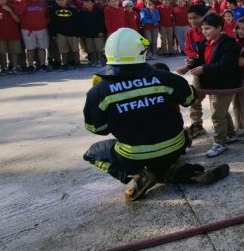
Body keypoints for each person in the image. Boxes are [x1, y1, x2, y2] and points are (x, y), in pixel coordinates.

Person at [82, 28, 229, 201]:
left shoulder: (99, 91)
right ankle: (180, 173)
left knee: (92, 153)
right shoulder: (164, 78)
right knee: (163, 155)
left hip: (135, 154)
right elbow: (190, 98)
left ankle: (139, 175)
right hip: (175, 146)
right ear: (142, 51)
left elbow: (97, 128)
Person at [187, 12, 241, 157]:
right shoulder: (205, 43)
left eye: (208, 28)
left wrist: (203, 68)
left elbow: (226, 64)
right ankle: (230, 134)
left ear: (219, 28)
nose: (205, 32)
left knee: (217, 113)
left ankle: (219, 143)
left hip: (225, 84)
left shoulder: (228, 43)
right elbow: (203, 60)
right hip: (211, 84)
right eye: (203, 29)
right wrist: (191, 64)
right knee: (221, 111)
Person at [176, 4, 209, 139]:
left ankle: (227, 130)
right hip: (197, 70)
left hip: (211, 69)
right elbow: (188, 49)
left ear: (204, 17)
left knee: (217, 102)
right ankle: (197, 125)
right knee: (195, 99)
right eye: (189, 18)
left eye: (196, 18)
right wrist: (192, 59)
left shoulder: (209, 30)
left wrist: (194, 61)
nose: (192, 21)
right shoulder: (190, 32)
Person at [14, 0, 50, 71]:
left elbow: (47, 15)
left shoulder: (41, 3)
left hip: (42, 28)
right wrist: (24, 1)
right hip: (27, 30)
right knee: (30, 48)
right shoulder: (19, 3)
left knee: (42, 47)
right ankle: (30, 65)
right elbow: (18, 12)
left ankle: (43, 64)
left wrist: (45, 23)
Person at [49, 0, 82, 69]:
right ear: (56, 1)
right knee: (63, 49)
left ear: (66, 0)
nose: (61, 1)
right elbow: (52, 23)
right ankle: (65, 64)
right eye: (59, 0)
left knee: (75, 49)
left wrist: (78, 33)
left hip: (73, 33)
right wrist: (53, 34)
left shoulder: (73, 10)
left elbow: (78, 22)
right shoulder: (53, 11)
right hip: (60, 34)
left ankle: (77, 62)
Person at [79, 0, 107, 66]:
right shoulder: (82, 12)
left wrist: (101, 31)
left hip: (98, 33)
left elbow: (102, 22)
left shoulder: (99, 10)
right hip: (88, 33)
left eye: (88, 2)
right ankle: (94, 61)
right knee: (91, 49)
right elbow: (81, 23)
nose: (86, 4)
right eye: (84, 2)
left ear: (93, 3)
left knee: (99, 48)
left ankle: (100, 61)